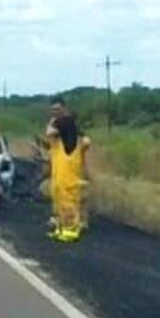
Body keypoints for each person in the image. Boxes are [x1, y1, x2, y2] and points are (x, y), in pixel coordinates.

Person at [44, 97, 90, 242]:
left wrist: (51, 123)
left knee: (67, 196)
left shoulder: (63, 121)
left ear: (64, 108)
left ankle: (71, 229)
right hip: (60, 164)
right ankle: (61, 227)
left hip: (67, 164)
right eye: (53, 110)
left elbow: (49, 133)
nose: (55, 112)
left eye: (58, 109)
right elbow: (86, 139)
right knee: (58, 195)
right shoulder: (70, 123)